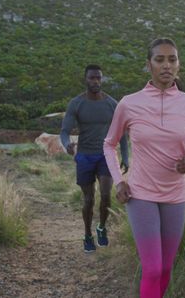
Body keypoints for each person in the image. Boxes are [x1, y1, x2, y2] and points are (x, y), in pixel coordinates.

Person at [103, 38, 185, 297]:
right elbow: (109, 144)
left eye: (172, 59)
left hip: (176, 196)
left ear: (178, 65)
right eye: (159, 59)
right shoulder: (129, 103)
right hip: (141, 195)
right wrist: (119, 181)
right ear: (148, 65)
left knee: (165, 268)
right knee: (152, 269)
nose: (166, 65)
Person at [60, 64, 129, 253]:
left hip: (106, 155)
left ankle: (101, 227)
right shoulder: (76, 103)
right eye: (92, 78)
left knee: (106, 195)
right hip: (84, 156)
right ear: (85, 79)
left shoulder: (112, 104)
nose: (96, 81)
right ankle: (87, 234)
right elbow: (64, 131)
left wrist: (126, 156)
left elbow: (122, 133)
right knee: (89, 199)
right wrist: (66, 144)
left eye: (98, 78)